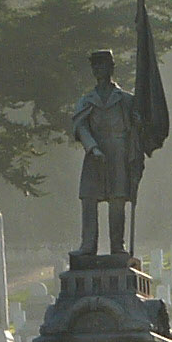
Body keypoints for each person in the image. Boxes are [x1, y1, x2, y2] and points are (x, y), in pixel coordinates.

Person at [72, 48, 146, 257]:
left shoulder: (125, 99)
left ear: (111, 68)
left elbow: (137, 128)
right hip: (94, 152)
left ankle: (117, 245)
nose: (98, 69)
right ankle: (88, 244)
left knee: (117, 200)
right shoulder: (87, 100)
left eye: (102, 65)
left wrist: (138, 124)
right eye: (95, 66)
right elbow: (80, 126)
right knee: (88, 198)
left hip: (118, 152)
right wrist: (92, 147)